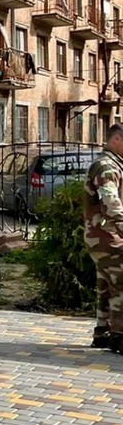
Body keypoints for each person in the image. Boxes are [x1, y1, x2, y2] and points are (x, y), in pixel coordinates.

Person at [84, 122, 123, 352]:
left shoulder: (112, 164)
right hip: (106, 237)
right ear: (116, 140)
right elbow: (112, 205)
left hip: (103, 236)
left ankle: (102, 332)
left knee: (106, 285)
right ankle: (119, 337)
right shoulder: (106, 166)